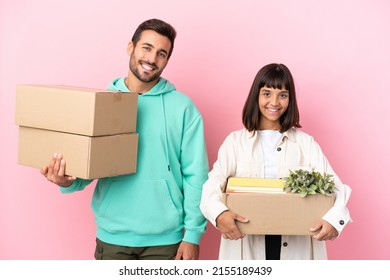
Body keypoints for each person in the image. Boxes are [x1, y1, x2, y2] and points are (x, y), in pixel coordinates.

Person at [40, 18, 209, 260]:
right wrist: (66, 181)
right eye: (147, 48)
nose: (152, 59)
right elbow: (90, 163)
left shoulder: (183, 108)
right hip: (112, 238)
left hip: (167, 241)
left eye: (162, 53)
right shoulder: (102, 103)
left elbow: (197, 175)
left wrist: (192, 235)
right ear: (131, 47)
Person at [200, 63, 352, 260]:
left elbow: (337, 188)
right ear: (256, 95)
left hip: (297, 245)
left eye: (283, 95)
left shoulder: (305, 144)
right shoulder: (235, 142)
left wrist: (334, 220)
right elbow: (211, 186)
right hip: (246, 244)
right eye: (266, 93)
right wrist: (219, 214)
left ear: (290, 99)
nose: (274, 102)